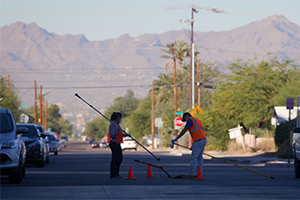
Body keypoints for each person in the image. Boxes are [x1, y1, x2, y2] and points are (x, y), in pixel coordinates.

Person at [171, 112, 207, 177]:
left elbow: (185, 130)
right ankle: (200, 173)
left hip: (198, 140)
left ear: (186, 116)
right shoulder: (198, 120)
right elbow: (197, 133)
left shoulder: (190, 120)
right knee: (199, 157)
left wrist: (177, 138)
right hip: (203, 139)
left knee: (194, 157)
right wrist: (194, 145)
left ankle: (192, 174)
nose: (185, 121)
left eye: (185, 119)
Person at [108, 112, 130, 179]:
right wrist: (117, 130)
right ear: (117, 118)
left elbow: (119, 135)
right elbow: (112, 135)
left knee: (119, 158)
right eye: (120, 117)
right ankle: (113, 174)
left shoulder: (117, 125)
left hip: (118, 143)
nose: (120, 119)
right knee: (115, 159)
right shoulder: (112, 126)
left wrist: (126, 135)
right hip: (114, 143)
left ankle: (117, 173)